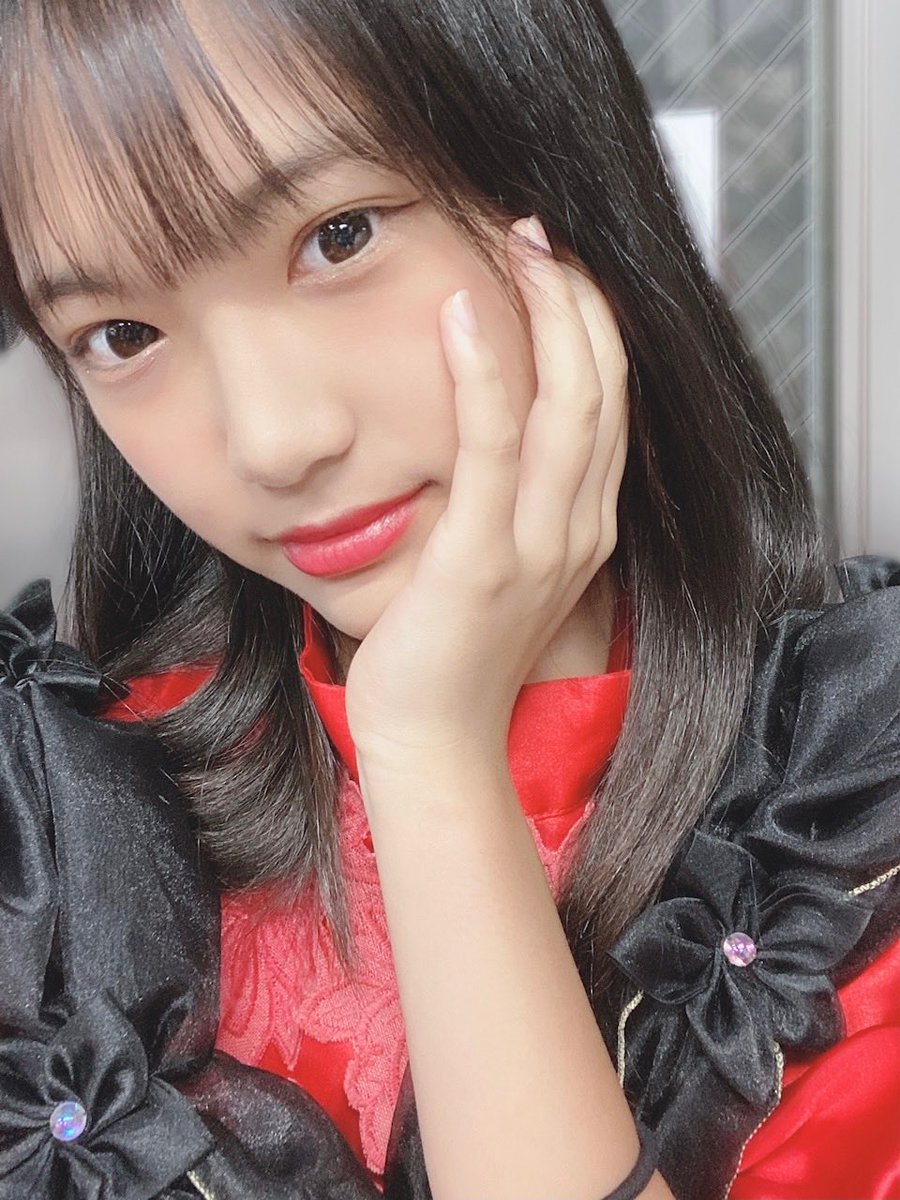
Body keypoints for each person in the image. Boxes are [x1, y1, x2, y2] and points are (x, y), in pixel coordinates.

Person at [0, 1, 897, 1197]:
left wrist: (429, 754)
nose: (273, 440)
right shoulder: (57, 823)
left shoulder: (849, 809)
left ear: (554, 175)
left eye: (340, 237)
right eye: (121, 334)